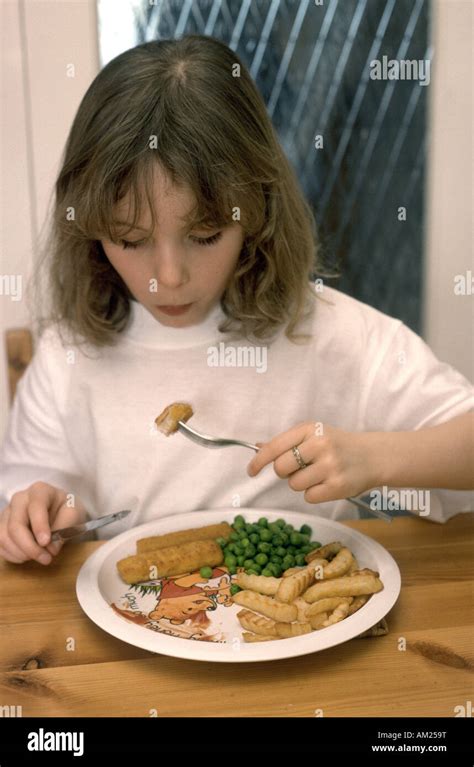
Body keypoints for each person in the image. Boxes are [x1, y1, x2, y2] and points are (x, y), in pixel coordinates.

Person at [0, 36, 472, 568]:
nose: (168, 278)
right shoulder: (70, 355)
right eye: (131, 240)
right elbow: (35, 501)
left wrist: (375, 457)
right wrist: (40, 517)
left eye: (204, 236)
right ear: (87, 230)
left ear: (258, 211)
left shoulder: (330, 334)